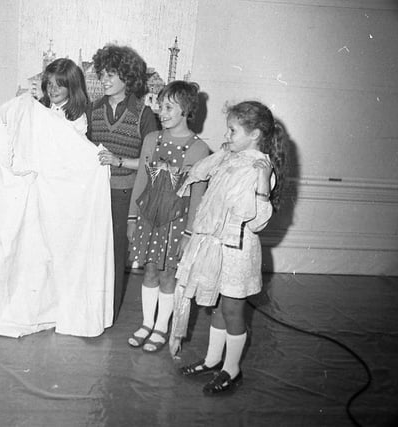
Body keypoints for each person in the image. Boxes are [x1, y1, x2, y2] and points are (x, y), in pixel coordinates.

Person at [170, 100, 287, 395]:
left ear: (255, 134)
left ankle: (232, 369)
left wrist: (262, 181)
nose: (227, 136)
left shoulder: (261, 167)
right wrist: (224, 152)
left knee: (233, 310)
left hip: (237, 251)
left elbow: (259, 222)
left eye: (233, 131)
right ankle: (213, 360)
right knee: (219, 309)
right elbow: (200, 174)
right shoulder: (230, 159)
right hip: (215, 248)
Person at [126, 81, 210, 353]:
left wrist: (189, 233)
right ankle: (146, 323)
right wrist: (131, 217)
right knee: (149, 270)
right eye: (160, 106)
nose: (161, 112)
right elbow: (141, 180)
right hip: (149, 218)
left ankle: (162, 326)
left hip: (176, 223)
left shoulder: (198, 149)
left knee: (168, 275)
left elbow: (198, 195)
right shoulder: (152, 139)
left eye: (168, 107)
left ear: (185, 110)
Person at [87, 44, 160, 321]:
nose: (103, 80)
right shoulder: (93, 110)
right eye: (102, 74)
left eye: (111, 75)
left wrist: (119, 161)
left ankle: (108, 313)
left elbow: (153, 163)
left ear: (127, 79)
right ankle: (90, 310)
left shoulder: (143, 114)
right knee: (92, 252)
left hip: (125, 194)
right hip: (95, 194)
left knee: (116, 256)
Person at [39, 58, 89, 135]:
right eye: (49, 83)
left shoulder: (76, 118)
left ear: (71, 88)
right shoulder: (41, 107)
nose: (53, 89)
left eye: (59, 86)